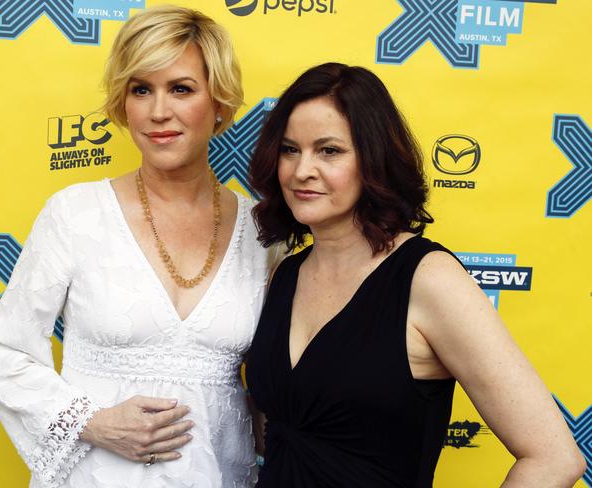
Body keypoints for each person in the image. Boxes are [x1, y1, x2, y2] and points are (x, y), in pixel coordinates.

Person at [245, 63, 586, 487]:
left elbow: (555, 459)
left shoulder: (428, 278)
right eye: (290, 149)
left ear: (373, 161)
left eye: (329, 151)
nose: (301, 171)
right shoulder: (286, 273)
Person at [0, 5, 273, 488]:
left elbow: (277, 379)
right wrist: (92, 422)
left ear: (219, 101)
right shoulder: (75, 213)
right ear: (123, 102)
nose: (158, 112)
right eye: (141, 89)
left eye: (181, 88)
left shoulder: (263, 233)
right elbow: (4, 354)